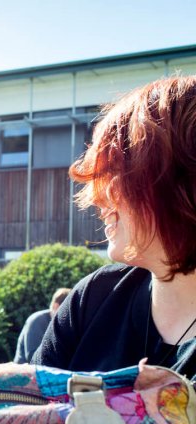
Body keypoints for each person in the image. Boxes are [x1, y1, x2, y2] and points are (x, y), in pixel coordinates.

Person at [33, 76, 196, 380]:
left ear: (179, 183)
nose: (98, 198)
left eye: (117, 178)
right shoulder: (92, 299)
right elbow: (25, 416)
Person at [13, 287, 70, 364]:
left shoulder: (64, 325)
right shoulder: (37, 321)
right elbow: (32, 357)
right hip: (25, 372)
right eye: (67, 311)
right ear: (56, 306)